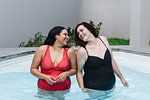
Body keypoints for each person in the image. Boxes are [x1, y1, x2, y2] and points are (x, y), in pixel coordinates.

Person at [75, 22, 128, 92]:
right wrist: (82, 89)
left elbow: (111, 60)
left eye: (81, 30)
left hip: (111, 88)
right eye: (78, 34)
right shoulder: (82, 51)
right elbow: (79, 71)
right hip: (93, 91)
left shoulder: (103, 40)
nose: (80, 34)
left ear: (89, 29)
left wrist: (122, 78)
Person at [30, 26, 76, 92]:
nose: (67, 37)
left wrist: (67, 73)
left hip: (63, 89)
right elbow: (33, 69)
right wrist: (45, 77)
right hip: (44, 89)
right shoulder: (43, 49)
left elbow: (74, 69)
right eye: (65, 34)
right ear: (56, 36)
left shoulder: (69, 51)